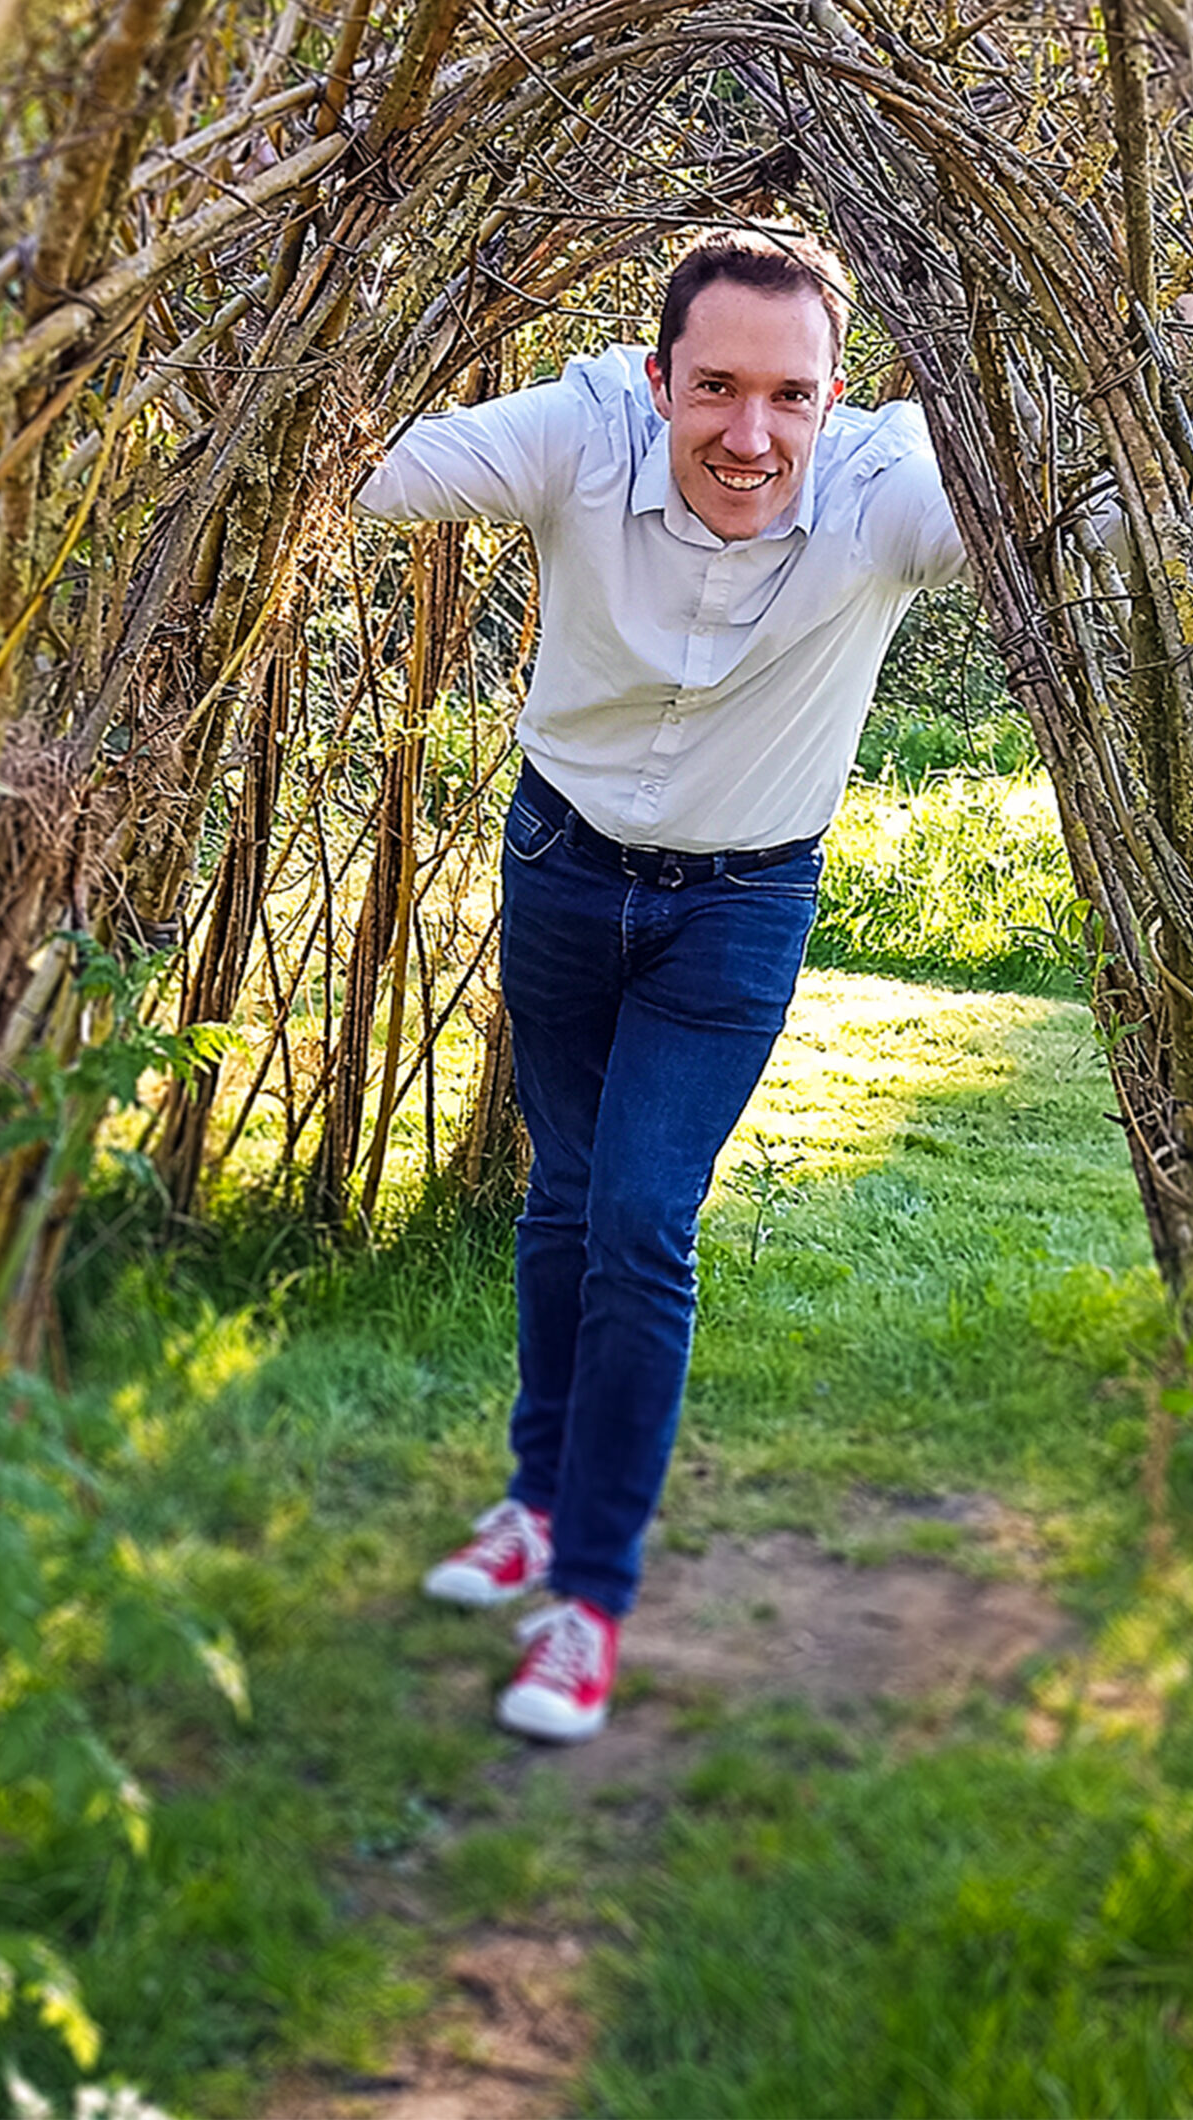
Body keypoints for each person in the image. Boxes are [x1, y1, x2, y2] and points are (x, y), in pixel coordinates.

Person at [354, 228, 970, 1741]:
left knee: (639, 1219)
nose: (750, 435)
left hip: (740, 907)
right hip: (561, 867)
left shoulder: (889, 495)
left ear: (835, 398)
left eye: (790, 396)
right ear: (657, 378)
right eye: (715, 389)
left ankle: (591, 1598)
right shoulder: (581, 434)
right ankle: (536, 1500)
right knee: (565, 1194)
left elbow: (1089, 521)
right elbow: (363, 471)